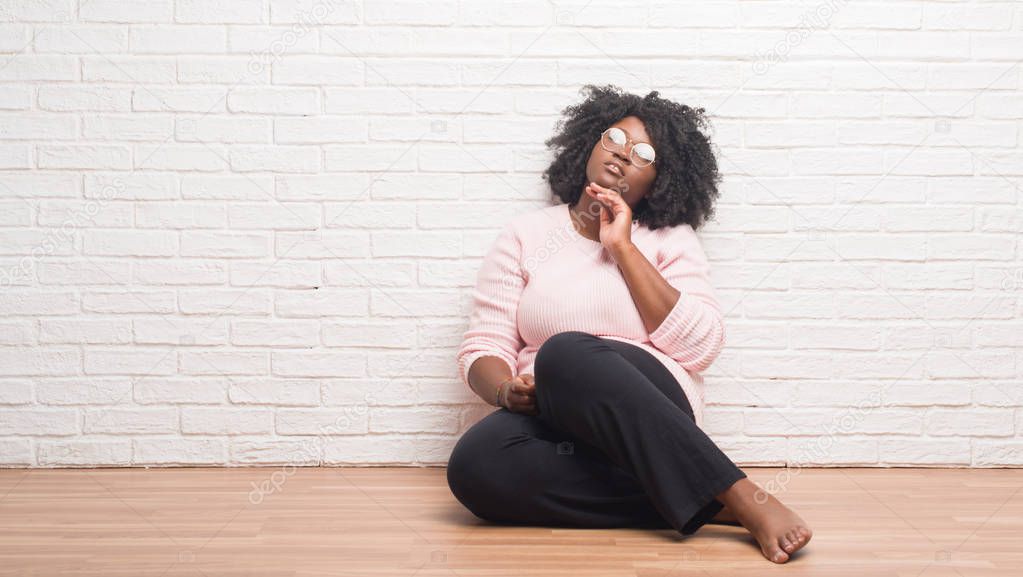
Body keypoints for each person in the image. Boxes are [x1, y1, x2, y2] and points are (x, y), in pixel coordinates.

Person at [446, 85, 812, 564]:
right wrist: (504, 392)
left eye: (642, 154)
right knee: (475, 465)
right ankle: (705, 502)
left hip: (653, 401)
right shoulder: (525, 234)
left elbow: (700, 347)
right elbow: (483, 346)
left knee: (564, 352)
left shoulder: (667, 238)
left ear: (659, 179)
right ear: (588, 145)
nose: (621, 155)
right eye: (613, 138)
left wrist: (621, 246)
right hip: (554, 413)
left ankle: (742, 494)